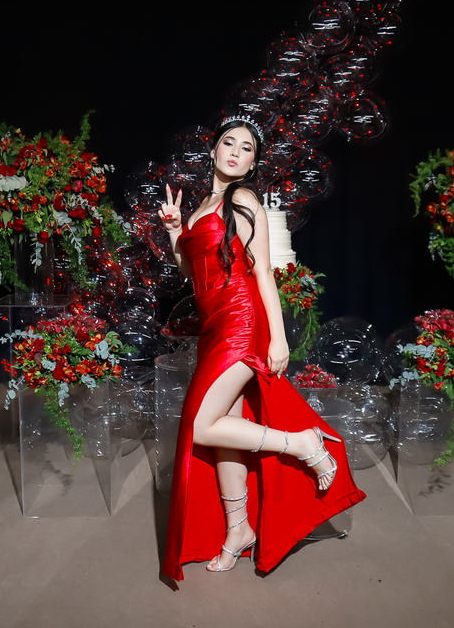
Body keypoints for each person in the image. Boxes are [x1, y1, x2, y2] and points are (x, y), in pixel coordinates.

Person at [158, 116, 366, 581]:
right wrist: (174, 230)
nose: (235, 151)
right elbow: (192, 272)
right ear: (213, 150)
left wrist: (278, 335)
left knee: (201, 426)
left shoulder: (244, 199)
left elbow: (263, 272)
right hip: (213, 325)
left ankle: (303, 443)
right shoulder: (202, 205)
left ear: (253, 163)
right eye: (228, 143)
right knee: (223, 430)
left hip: (241, 320)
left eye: (246, 147)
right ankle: (238, 529)